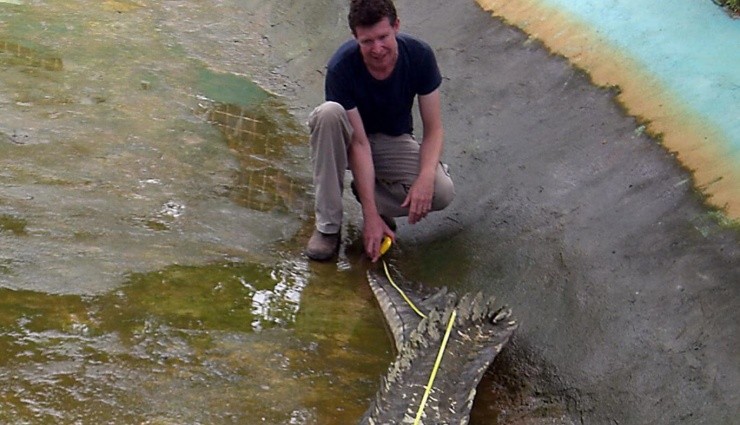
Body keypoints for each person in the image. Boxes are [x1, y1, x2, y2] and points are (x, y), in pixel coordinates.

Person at [305, 0, 454, 262]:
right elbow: (359, 144)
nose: (377, 49)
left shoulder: (420, 56)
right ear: (355, 37)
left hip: (391, 140)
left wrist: (426, 176)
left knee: (441, 192)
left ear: (396, 26)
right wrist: (371, 219)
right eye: (367, 41)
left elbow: (434, 130)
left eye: (383, 37)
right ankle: (328, 227)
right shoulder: (341, 67)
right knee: (328, 113)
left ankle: (367, 195)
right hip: (349, 141)